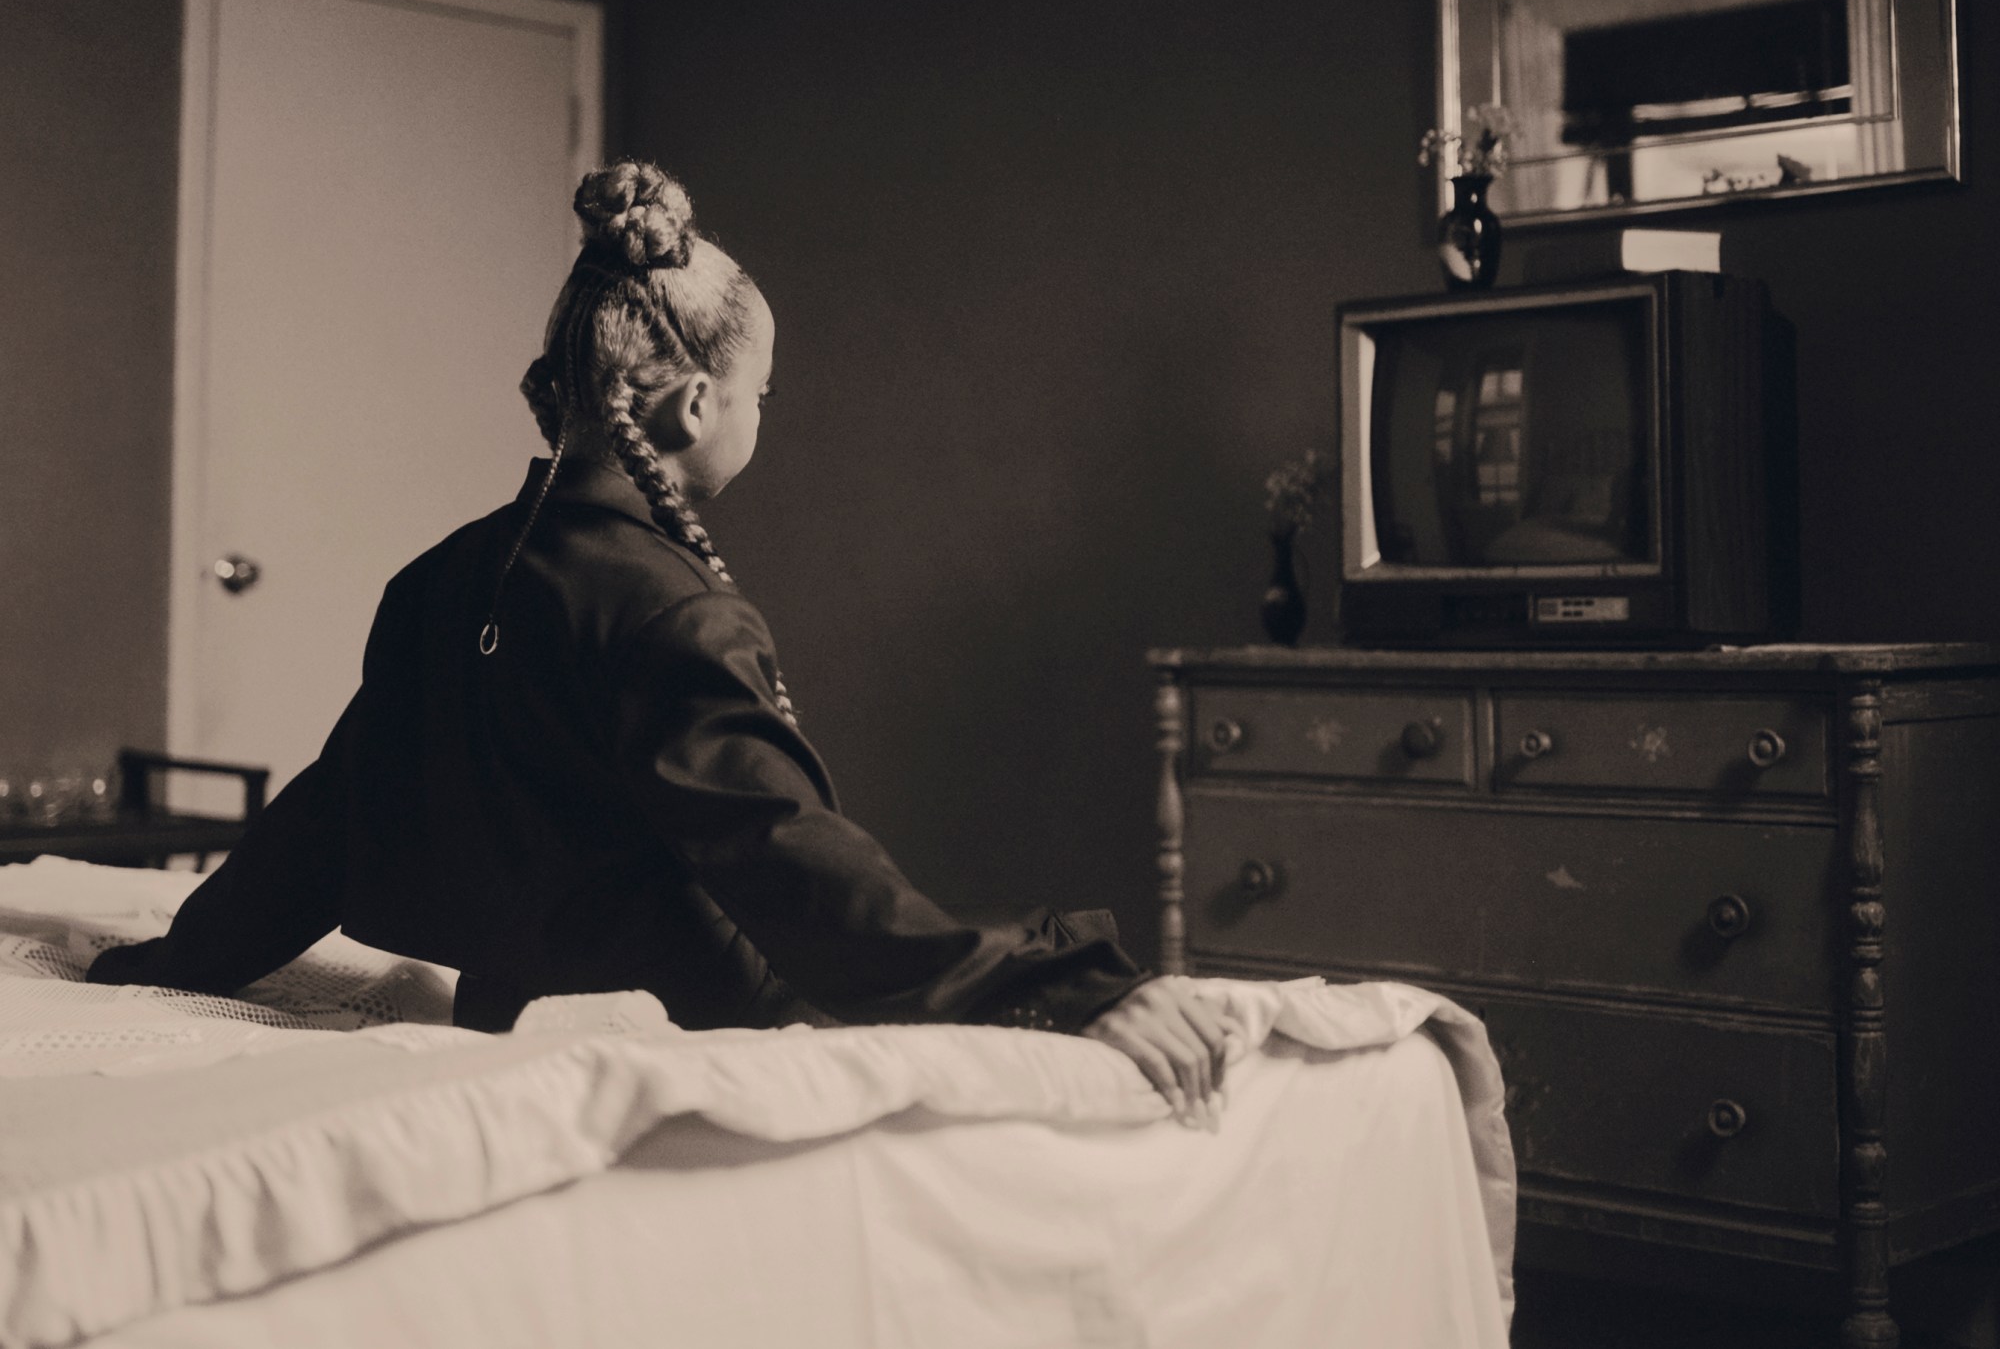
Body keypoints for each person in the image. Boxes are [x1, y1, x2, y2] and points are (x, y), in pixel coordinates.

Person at [92, 162, 1231, 1120]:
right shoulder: (673, 611)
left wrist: (166, 964)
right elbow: (787, 859)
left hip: (502, 1026)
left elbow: (323, 824)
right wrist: (1051, 987)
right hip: (674, 1044)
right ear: (693, 406)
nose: (758, 417)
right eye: (760, 394)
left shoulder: (436, 578)